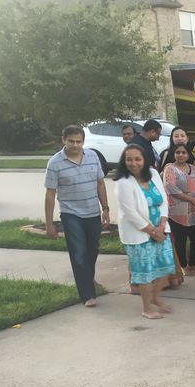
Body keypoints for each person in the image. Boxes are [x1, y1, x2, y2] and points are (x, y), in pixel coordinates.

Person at [44, 125, 110, 307]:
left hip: (93, 212)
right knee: (79, 253)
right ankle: (88, 294)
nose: (75, 145)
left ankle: (87, 278)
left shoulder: (92, 156)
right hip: (70, 214)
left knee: (92, 249)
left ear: (83, 141)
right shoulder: (55, 163)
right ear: (63, 140)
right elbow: (50, 194)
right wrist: (49, 224)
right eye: (71, 141)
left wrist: (106, 208)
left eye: (79, 141)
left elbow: (100, 184)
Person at [114, 144, 176, 319]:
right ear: (124, 161)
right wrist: (153, 232)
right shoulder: (123, 182)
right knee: (145, 273)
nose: (133, 163)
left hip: (160, 229)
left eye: (137, 159)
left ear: (145, 160)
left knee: (166, 268)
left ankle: (155, 297)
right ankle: (147, 307)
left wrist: (162, 225)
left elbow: (163, 200)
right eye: (129, 159)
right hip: (139, 233)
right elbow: (130, 213)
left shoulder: (154, 174)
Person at [162, 142, 195, 275]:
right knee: (180, 240)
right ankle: (184, 266)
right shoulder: (170, 168)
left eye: (184, 152)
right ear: (173, 154)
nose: (181, 155)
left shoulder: (193, 167)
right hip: (178, 211)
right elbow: (171, 188)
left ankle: (193, 264)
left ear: (188, 154)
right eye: (178, 152)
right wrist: (191, 199)